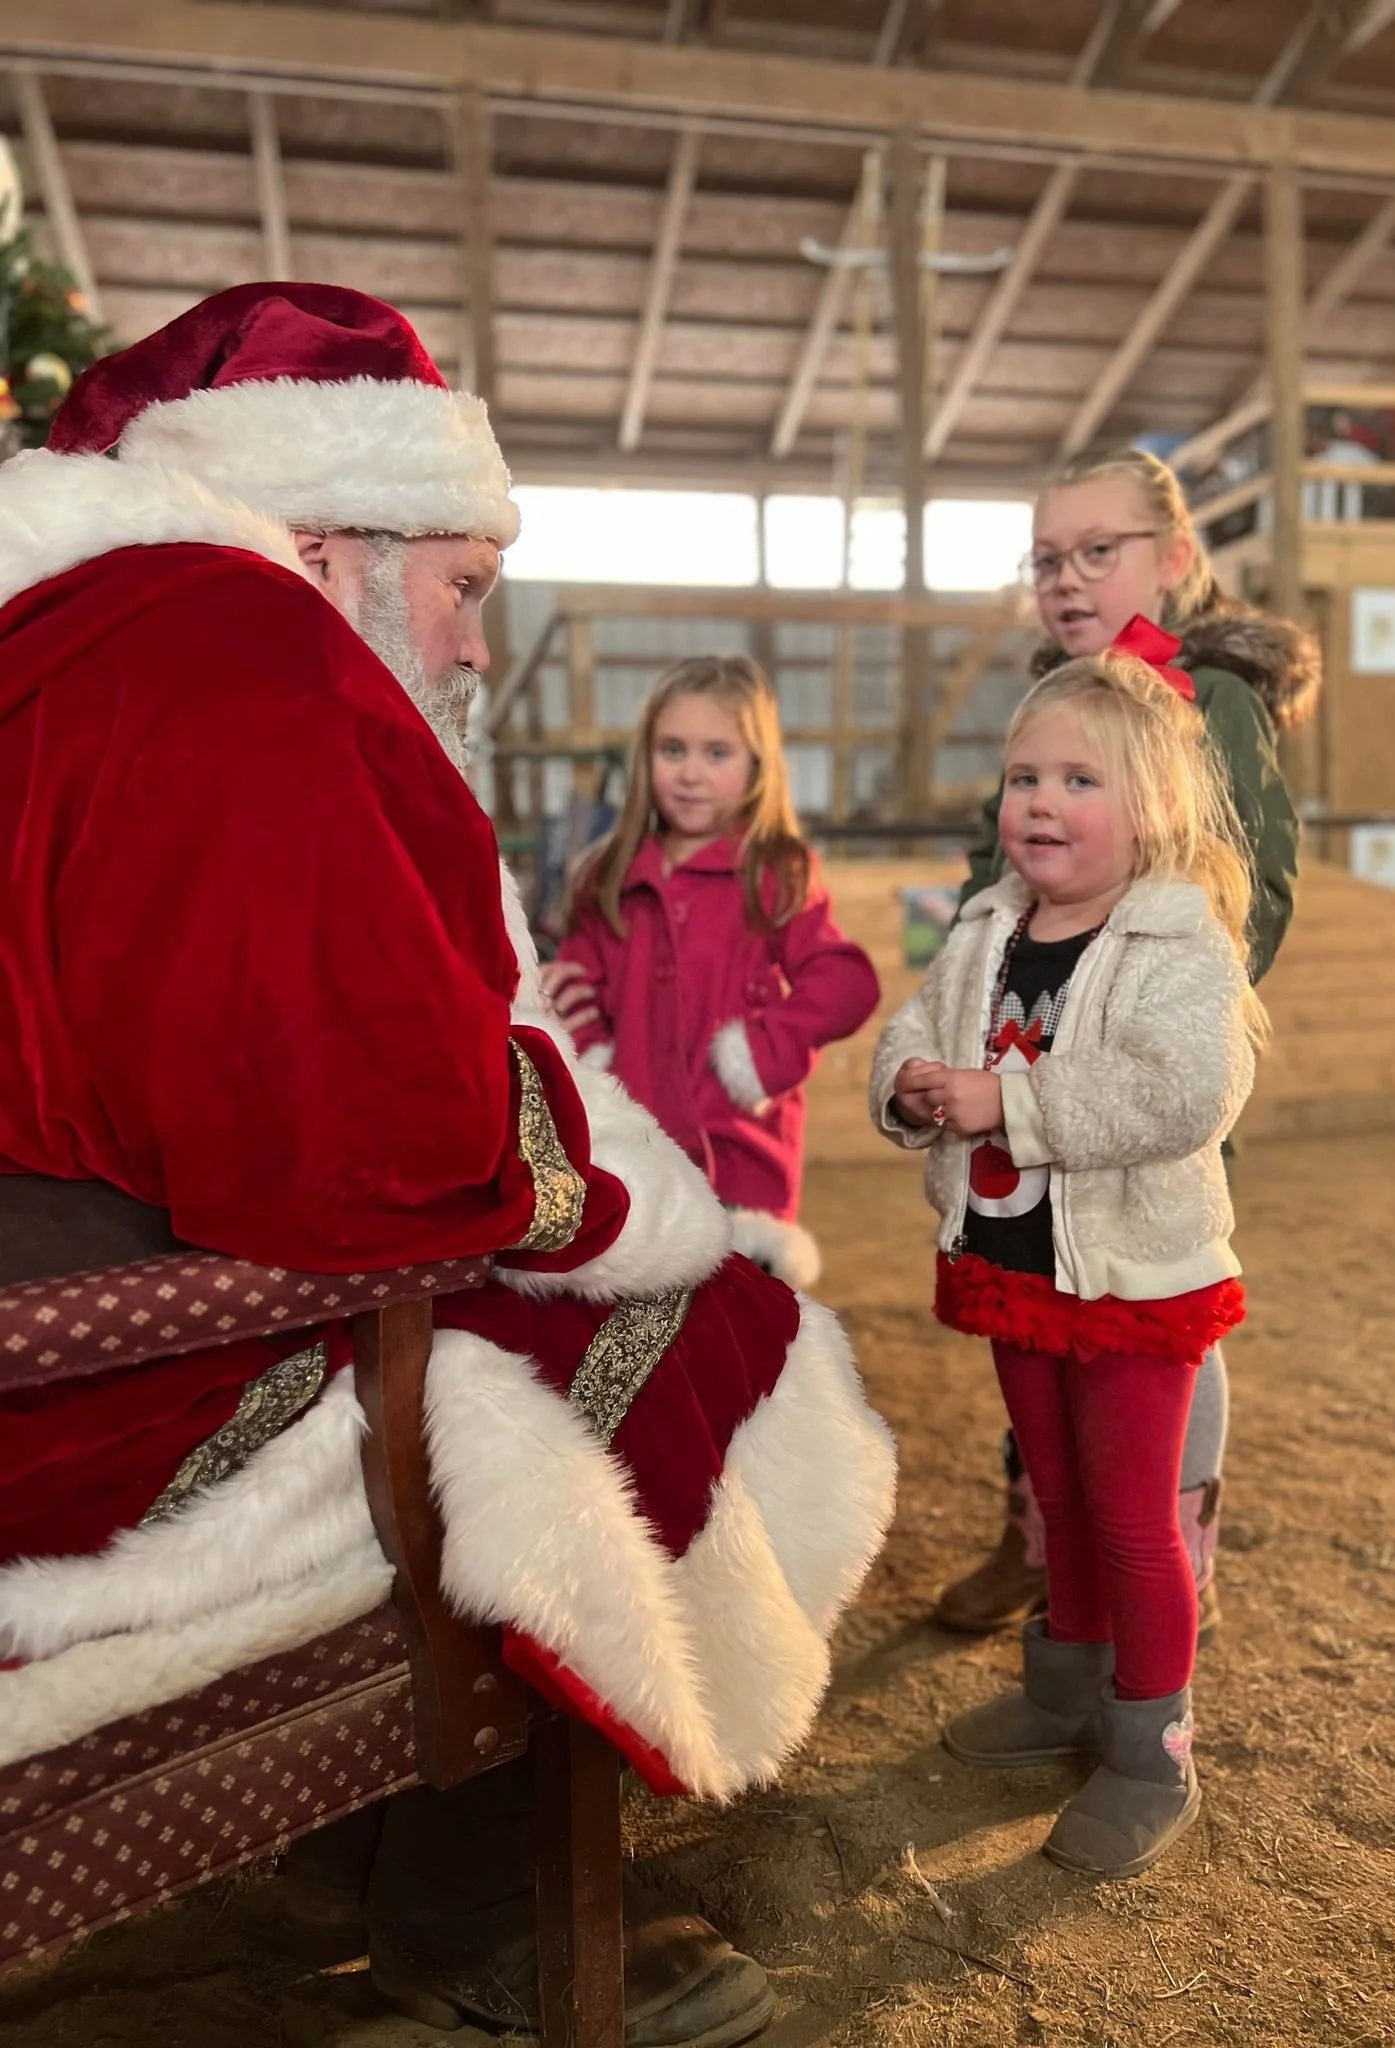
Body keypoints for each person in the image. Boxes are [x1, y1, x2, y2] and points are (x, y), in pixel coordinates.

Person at [0, 283, 897, 2046]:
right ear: (329, 539)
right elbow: (369, 1147)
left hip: (50, 1282)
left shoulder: (72, 634)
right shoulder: (247, 658)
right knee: (686, 1323)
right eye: (462, 587)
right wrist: (621, 1196)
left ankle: (374, 1845)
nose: (476, 647)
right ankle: (482, 1897)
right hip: (90, 1385)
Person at [869, 646, 1262, 1878]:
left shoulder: (1178, 940)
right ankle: (1065, 1681)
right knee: (1055, 1495)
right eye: (1023, 775)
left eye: (1078, 779)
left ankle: (1153, 1745)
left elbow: (1187, 1091)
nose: (1039, 801)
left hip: (1137, 1284)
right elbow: (911, 1028)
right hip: (1017, 1266)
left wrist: (1009, 1101)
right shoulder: (987, 925)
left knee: (1136, 1514)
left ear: (1150, 809)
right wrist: (911, 1086)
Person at [933, 445, 1319, 1643]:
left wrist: (1135, 1022)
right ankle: (1043, 1535)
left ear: (1177, 559)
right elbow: (994, 870)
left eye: (1100, 551)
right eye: (1049, 558)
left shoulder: (1215, 697)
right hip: (1025, 1072)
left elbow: (1255, 885)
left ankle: (1165, 1543)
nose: (1068, 576)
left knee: (1156, 1301)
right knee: (1034, 1290)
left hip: (1147, 1083)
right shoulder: (1057, 700)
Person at [542, 656, 880, 1288]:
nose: (691, 773)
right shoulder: (606, 873)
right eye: (673, 749)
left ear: (756, 766)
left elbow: (846, 980)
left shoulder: (776, 871)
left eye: (716, 753)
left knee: (732, 1341)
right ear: (646, 758)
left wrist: (762, 1051)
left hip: (740, 1164)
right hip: (633, 1151)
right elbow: (572, 989)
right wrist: (598, 1060)